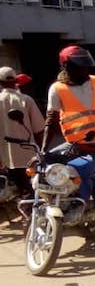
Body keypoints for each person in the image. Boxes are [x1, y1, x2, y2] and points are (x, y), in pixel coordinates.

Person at [45, 46, 95, 245]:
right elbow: (51, 120)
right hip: (75, 146)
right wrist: (43, 148)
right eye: (81, 67)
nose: (86, 71)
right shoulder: (57, 89)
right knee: (60, 177)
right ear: (67, 66)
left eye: (87, 67)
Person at [0, 66, 44, 197]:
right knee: (35, 191)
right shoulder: (26, 100)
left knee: (20, 191)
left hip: (5, 157)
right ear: (15, 81)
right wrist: (41, 151)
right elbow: (39, 129)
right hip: (29, 156)